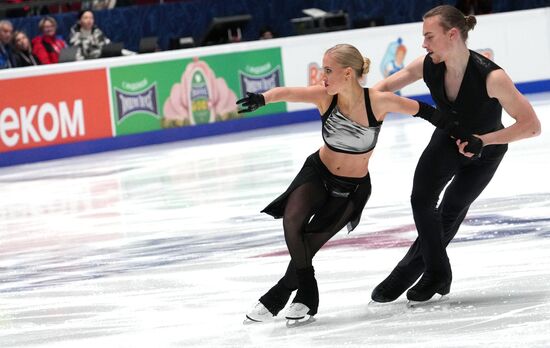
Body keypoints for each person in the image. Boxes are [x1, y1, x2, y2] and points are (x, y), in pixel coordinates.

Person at [237, 43, 477, 323]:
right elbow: (286, 92)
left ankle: (282, 293)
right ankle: (305, 292)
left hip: (351, 188)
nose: (321, 76)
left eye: (328, 70)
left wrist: (462, 134)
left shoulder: (377, 100)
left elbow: (426, 111)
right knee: (292, 220)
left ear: (348, 73)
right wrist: (262, 98)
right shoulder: (325, 96)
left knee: (310, 241)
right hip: (317, 172)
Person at [370, 5, 541, 304]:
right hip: (447, 140)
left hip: (486, 151)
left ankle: (407, 273)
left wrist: (483, 141)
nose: (423, 44)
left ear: (452, 35)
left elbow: (531, 126)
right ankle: (438, 273)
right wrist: (364, 105)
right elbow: (383, 88)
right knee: (421, 199)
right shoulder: (426, 65)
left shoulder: (492, 77)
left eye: (428, 36)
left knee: (451, 209)